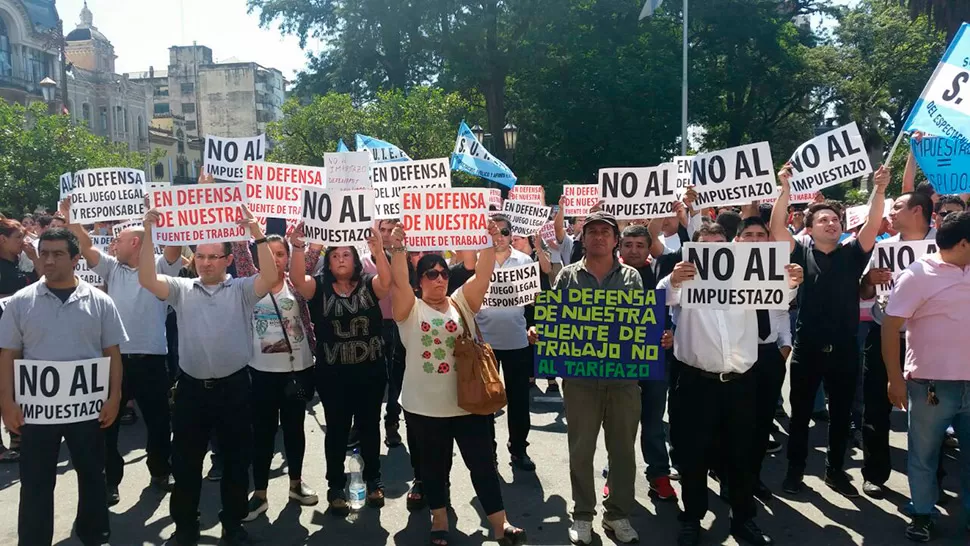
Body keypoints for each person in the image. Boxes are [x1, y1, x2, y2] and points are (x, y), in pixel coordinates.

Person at [138, 204, 278, 546]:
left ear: (228, 260)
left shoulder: (243, 289)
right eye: (200, 256)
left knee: (234, 462)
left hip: (234, 390)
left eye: (214, 257)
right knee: (185, 465)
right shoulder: (181, 289)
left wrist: (258, 234)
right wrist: (147, 233)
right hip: (191, 391)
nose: (206, 262)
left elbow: (271, 277)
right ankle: (185, 527)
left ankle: (233, 525)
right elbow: (146, 278)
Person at [389, 221, 526, 546]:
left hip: (469, 403)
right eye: (430, 274)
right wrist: (397, 249)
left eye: (442, 273)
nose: (439, 279)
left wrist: (492, 243)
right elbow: (398, 282)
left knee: (482, 464)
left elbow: (482, 275)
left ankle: (499, 523)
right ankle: (439, 519)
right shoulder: (410, 310)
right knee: (435, 467)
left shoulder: (461, 302)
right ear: (419, 281)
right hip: (425, 407)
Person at [0, 228, 126, 546]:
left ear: (75, 259)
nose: (49, 260)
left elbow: (112, 353)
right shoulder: (19, 303)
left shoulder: (100, 301)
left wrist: (115, 397)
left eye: (57, 254)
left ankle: (94, 533)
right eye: (44, 253)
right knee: (36, 481)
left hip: (88, 409)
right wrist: (7, 403)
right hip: (36, 412)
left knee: (92, 476)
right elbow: (8, 355)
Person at [769, 164, 889, 498]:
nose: (831, 223)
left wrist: (879, 190)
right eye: (823, 219)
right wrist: (784, 188)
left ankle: (835, 471)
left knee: (840, 416)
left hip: (845, 349)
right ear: (809, 228)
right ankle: (795, 472)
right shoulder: (798, 252)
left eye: (835, 220)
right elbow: (776, 226)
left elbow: (873, 224)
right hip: (806, 348)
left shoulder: (853, 254)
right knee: (800, 415)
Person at [659, 223, 775, 546]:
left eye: (719, 244)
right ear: (693, 250)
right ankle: (692, 517)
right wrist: (674, 278)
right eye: (705, 245)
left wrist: (792, 280)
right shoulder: (684, 279)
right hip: (696, 384)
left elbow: (783, 294)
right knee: (692, 454)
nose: (713, 250)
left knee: (742, 453)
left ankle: (743, 518)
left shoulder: (749, 277)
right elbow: (663, 295)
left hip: (741, 384)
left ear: (731, 247)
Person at [62, 198, 183, 504]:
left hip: (152, 359)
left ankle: (159, 470)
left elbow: (174, 249)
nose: (112, 244)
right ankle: (110, 480)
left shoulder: (158, 265)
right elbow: (87, 246)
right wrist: (69, 216)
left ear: (134, 242)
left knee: (158, 422)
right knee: (108, 423)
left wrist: (153, 224)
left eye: (117, 240)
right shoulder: (112, 267)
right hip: (115, 360)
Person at [553, 211, 643, 545]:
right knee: (581, 449)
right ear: (583, 238)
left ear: (615, 239)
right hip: (580, 379)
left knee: (622, 451)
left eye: (606, 232)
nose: (599, 237)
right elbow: (557, 321)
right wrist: (542, 333)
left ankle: (618, 515)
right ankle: (582, 515)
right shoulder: (567, 276)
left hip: (623, 379)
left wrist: (656, 337)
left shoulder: (632, 277)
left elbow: (639, 324)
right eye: (592, 232)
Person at [290, 223, 392, 515]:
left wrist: (378, 251)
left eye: (347, 255)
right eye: (335, 256)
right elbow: (297, 278)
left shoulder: (369, 283)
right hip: (332, 376)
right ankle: (335, 486)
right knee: (336, 430)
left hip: (370, 373)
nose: (341, 259)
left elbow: (388, 282)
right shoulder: (319, 287)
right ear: (328, 262)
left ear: (356, 260)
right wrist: (299, 246)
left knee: (370, 428)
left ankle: (373, 481)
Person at [882, 211, 970, 542]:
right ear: (963, 243)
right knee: (923, 455)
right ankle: (922, 514)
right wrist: (894, 378)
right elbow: (890, 328)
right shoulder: (917, 275)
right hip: (930, 388)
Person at [230, 235, 319, 522]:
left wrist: (306, 237)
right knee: (263, 434)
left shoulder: (296, 281)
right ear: (257, 258)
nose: (276, 259)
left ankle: (295, 484)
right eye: (269, 254)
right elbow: (238, 248)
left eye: (281, 253)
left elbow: (312, 250)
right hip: (261, 372)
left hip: (298, 370)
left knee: (295, 430)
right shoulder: (250, 281)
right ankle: (260, 493)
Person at [858, 191, 935, 499]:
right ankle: (874, 473)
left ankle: (932, 479)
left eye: (897, 207)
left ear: (917, 210)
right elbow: (865, 293)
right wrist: (868, 279)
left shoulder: (943, 246)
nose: (890, 213)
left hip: (929, 339)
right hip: (883, 335)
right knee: (875, 407)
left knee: (931, 413)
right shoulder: (884, 247)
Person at [614, 224, 677, 502]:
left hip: (654, 361)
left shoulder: (662, 272)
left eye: (640, 245)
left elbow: (680, 308)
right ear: (620, 247)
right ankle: (616, 476)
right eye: (628, 245)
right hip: (618, 363)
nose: (634, 250)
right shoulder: (608, 274)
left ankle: (659, 476)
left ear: (649, 247)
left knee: (652, 423)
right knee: (619, 425)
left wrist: (672, 332)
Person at [476, 214, 537, 472]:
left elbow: (534, 303)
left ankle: (519, 448)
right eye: (494, 232)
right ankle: (487, 451)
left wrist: (534, 326)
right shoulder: (479, 261)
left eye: (503, 232)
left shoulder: (524, 261)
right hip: (484, 343)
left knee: (519, 399)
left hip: (517, 341)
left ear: (512, 235)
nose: (498, 237)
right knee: (486, 401)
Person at [0, 219, 38, 463]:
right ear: (2, 240)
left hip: (21, 336)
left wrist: (35, 258)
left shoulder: (22, 262)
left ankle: (16, 435)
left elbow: (42, 283)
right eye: (17, 237)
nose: (22, 242)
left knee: (17, 387)